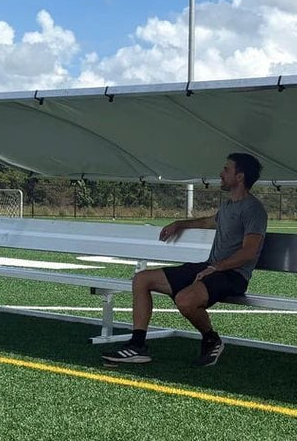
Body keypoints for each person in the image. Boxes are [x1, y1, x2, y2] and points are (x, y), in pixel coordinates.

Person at [102, 152, 267, 368]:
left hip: (233, 275)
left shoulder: (254, 209)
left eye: (226, 169)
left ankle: (211, 339)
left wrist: (216, 268)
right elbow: (208, 222)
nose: (221, 173)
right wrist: (180, 223)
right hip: (211, 268)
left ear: (240, 176)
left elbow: (249, 252)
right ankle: (137, 346)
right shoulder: (228, 205)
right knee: (142, 279)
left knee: (185, 300)